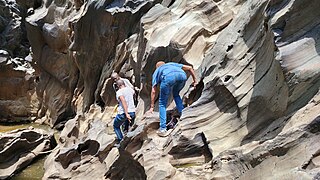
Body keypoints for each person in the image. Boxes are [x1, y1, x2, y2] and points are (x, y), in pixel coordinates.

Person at [148, 61, 197, 137]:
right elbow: (190, 68)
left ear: (157, 67)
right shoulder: (171, 64)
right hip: (182, 76)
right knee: (176, 94)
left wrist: (151, 107)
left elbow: (153, 91)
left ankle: (163, 129)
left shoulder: (157, 71)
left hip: (168, 78)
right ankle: (183, 115)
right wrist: (195, 81)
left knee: (162, 103)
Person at [113, 79, 136, 144]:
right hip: (132, 111)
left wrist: (126, 113)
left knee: (116, 126)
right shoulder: (130, 90)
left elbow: (123, 101)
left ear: (118, 85)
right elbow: (134, 94)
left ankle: (121, 141)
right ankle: (127, 135)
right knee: (128, 124)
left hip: (123, 113)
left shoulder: (119, 92)